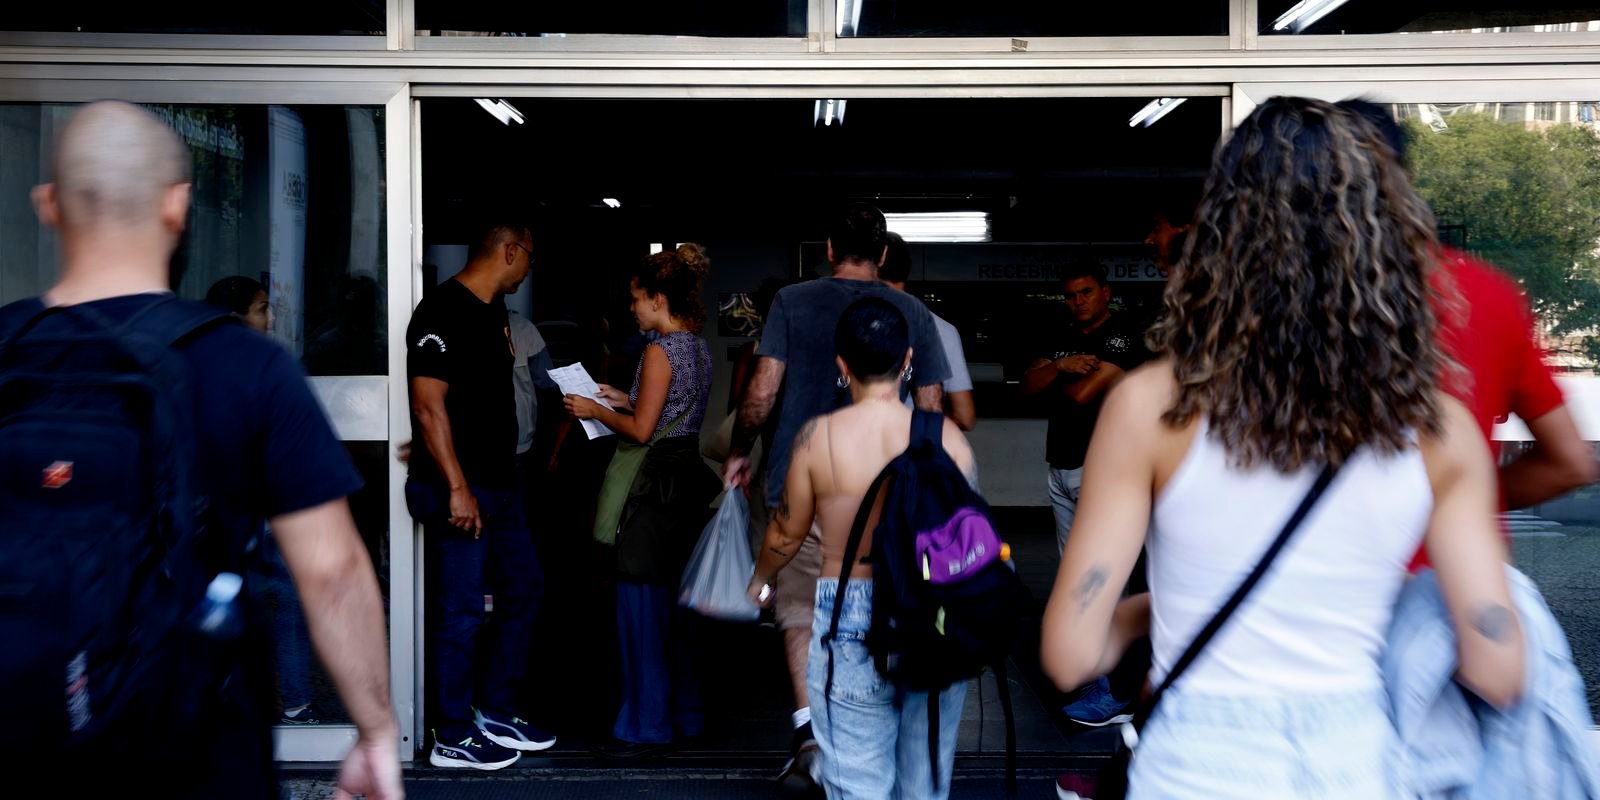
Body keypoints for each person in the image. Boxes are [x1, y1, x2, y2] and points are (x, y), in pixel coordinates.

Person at [1041, 97, 1525, 799]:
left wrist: (1158, 608)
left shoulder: (1150, 406)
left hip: (1193, 771)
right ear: (1380, 240)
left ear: (1219, 239)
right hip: (1355, 769)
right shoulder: (1438, 428)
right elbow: (1497, 668)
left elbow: (1068, 654)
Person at [8, 101, 400, 799]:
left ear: (48, 205)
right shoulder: (245, 363)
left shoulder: (7, 349)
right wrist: (374, 731)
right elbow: (333, 572)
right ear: (177, 205)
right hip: (193, 748)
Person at [722, 202, 952, 793]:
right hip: (887, 488)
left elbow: (762, 392)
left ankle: (811, 735)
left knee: (801, 611)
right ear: (883, 253)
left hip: (801, 480)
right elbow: (931, 406)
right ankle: (875, 732)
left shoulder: (791, 302)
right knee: (886, 599)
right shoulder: (912, 312)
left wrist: (739, 449)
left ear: (828, 249)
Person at [746, 297, 978, 799]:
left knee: (856, 783)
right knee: (923, 783)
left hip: (849, 615)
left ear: (842, 364)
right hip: (934, 621)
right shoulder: (948, 438)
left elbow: (785, 533)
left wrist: (760, 580)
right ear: (909, 359)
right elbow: (969, 539)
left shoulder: (819, 437)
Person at [1337, 99, 1597, 529]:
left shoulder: (1263, 295)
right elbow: (1570, 462)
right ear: (1404, 181)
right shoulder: (1484, 291)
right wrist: (1456, 498)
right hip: (1450, 562)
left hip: (1307, 564)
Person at [406, 220, 553, 769]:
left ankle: (495, 709)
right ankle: (451, 732)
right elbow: (428, 405)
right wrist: (456, 486)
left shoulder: (495, 312)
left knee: (525, 588)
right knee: (463, 610)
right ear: (510, 251)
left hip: (501, 486)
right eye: (530, 256)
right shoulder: (442, 311)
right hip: (461, 491)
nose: (530, 268)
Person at [565, 243, 719, 758]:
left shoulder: (658, 351)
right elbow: (670, 412)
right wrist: (621, 398)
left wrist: (594, 410)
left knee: (640, 606)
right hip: (685, 481)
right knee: (677, 610)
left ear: (657, 298)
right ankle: (686, 715)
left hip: (651, 489)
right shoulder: (696, 347)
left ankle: (645, 723)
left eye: (636, 298)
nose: (631, 308)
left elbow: (641, 430)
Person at [1018, 260, 1151, 728]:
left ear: (1106, 292)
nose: (1077, 301)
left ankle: (1119, 691)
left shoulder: (1123, 337)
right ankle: (1098, 677)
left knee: (1105, 578)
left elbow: (1083, 395)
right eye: (1071, 294)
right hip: (1060, 467)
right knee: (1077, 578)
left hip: (1103, 472)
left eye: (1086, 292)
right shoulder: (1061, 339)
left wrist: (1054, 375)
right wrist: (1060, 365)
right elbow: (1027, 387)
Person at [204, 276, 322, 726]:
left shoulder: (196, 361)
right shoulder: (262, 364)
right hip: (251, 503)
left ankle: (259, 700)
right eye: (261, 308)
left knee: (261, 598)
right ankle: (292, 701)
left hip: (240, 505)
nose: (270, 318)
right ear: (236, 315)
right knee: (282, 598)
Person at [881, 232, 976, 430]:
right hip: (915, 445)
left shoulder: (851, 323)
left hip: (856, 444)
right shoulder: (943, 330)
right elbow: (964, 417)